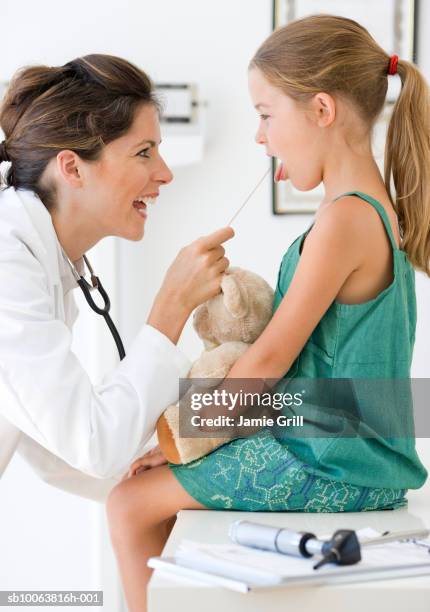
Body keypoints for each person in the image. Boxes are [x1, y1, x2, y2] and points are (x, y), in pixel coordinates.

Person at [105, 14, 430, 612]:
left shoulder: (344, 220)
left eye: (265, 115)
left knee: (127, 504)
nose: (260, 137)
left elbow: (273, 361)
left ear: (322, 111)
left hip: (335, 463)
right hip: (349, 452)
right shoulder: (366, 211)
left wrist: (184, 433)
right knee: (140, 492)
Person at [0, 53, 234, 502]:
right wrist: (172, 305)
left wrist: (174, 453)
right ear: (71, 168)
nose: (164, 174)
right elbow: (92, 444)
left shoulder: (37, 260)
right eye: (144, 152)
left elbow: (60, 450)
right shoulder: (9, 265)